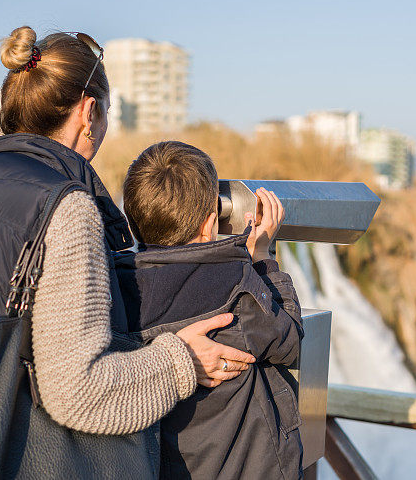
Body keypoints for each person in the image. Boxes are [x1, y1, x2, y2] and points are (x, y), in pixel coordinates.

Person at [0, 27, 254, 479]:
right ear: (88, 112)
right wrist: (185, 361)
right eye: (107, 114)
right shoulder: (65, 206)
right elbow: (80, 394)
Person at [115, 141, 304, 480]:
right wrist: (262, 256)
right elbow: (289, 339)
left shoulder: (115, 287)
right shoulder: (235, 287)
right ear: (210, 223)